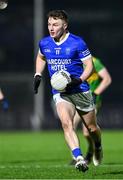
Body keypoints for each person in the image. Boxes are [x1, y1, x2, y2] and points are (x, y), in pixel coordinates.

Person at [33, 10, 103, 172]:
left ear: (65, 25)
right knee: (66, 123)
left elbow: (90, 66)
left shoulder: (77, 42)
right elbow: (41, 57)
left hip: (80, 89)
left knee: (92, 128)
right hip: (61, 92)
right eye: (49, 24)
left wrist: (79, 80)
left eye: (55, 24)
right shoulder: (45, 43)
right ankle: (79, 158)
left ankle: (98, 146)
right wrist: (37, 74)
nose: (51, 27)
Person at [70, 56, 112, 165]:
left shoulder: (95, 62)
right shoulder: (73, 62)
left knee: (87, 132)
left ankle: (92, 150)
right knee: (71, 125)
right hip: (78, 98)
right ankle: (77, 156)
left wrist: (95, 93)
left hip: (92, 101)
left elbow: (107, 79)